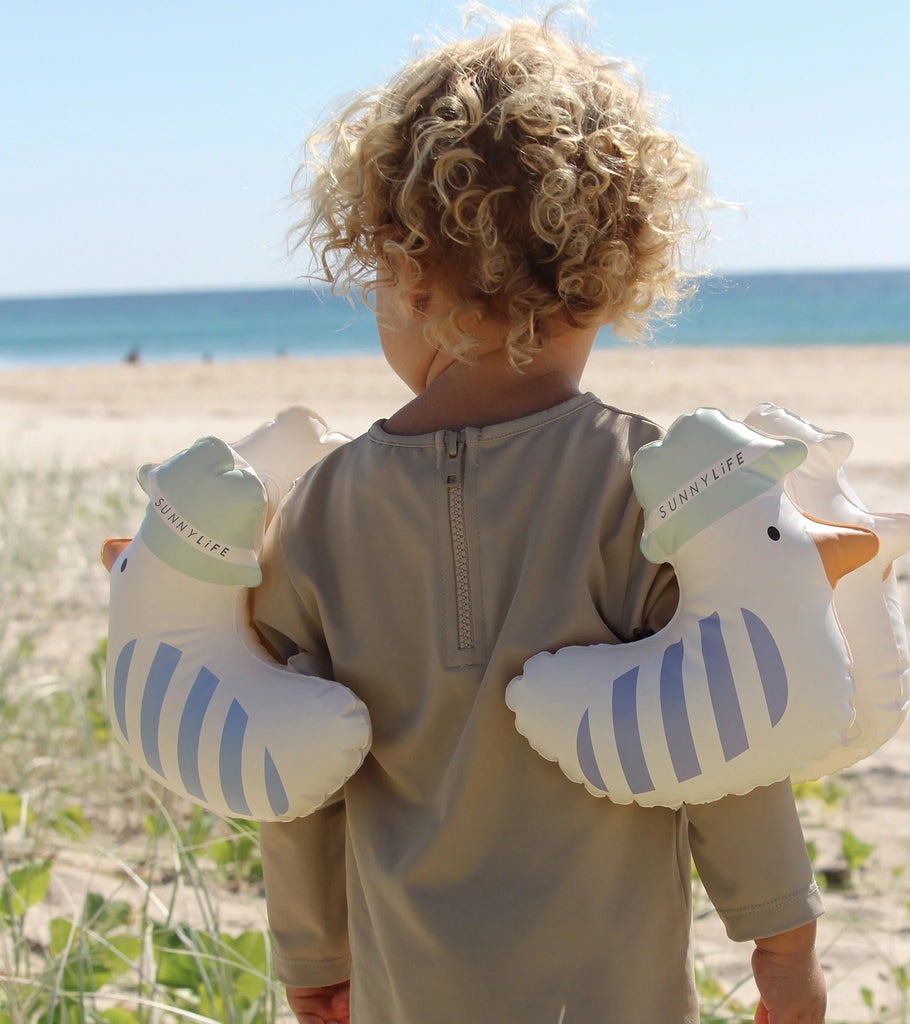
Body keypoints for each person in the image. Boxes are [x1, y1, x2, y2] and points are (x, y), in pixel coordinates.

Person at [254, 12, 827, 1024]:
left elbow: (296, 768)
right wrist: (779, 939)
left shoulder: (319, 513)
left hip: (407, 994)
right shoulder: (655, 487)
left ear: (400, 266)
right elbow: (725, 732)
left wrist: (311, 951)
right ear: (614, 276)